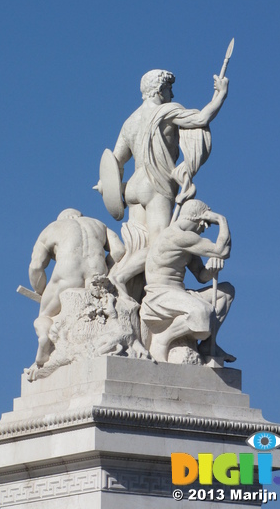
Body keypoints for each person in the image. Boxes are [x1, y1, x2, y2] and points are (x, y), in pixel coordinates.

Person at [111, 69, 229, 243]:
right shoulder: (166, 111)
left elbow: (115, 162)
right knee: (159, 244)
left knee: (138, 246)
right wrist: (221, 94)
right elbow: (201, 119)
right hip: (155, 183)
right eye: (169, 88)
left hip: (132, 187)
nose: (172, 94)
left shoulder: (130, 121)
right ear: (160, 89)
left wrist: (107, 187)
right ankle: (122, 273)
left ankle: (122, 271)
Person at [28, 208, 125, 371]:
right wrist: (106, 269)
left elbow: (36, 266)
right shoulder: (99, 224)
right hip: (97, 275)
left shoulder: (53, 227)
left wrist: (41, 290)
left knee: (45, 315)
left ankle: (45, 337)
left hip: (67, 274)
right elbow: (119, 251)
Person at [140, 199, 235, 363]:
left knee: (226, 292)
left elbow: (201, 276)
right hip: (160, 295)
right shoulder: (179, 236)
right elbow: (222, 250)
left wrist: (213, 267)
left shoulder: (187, 241)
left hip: (178, 293)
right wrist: (222, 220)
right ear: (203, 221)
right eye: (205, 226)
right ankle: (162, 339)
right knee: (202, 312)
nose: (203, 231)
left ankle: (208, 344)